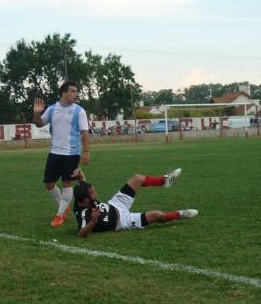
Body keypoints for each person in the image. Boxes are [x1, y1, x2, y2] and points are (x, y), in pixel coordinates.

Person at [71, 168, 198, 238]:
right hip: (122, 221)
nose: (95, 193)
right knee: (158, 215)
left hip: (116, 204)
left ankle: (164, 181)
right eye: (93, 193)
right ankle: (181, 214)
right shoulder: (83, 214)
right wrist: (93, 221)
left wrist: (80, 175)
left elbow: (82, 182)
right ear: (86, 200)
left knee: (137, 178)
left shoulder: (81, 196)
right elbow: (81, 233)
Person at [33, 81, 91, 227]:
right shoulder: (52, 109)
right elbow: (39, 124)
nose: (75, 94)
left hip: (71, 153)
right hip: (54, 152)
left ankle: (59, 215)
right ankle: (63, 207)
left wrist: (86, 151)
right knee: (49, 183)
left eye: (75, 91)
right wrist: (36, 113)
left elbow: (84, 133)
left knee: (67, 183)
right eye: (72, 91)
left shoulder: (79, 111)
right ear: (63, 93)